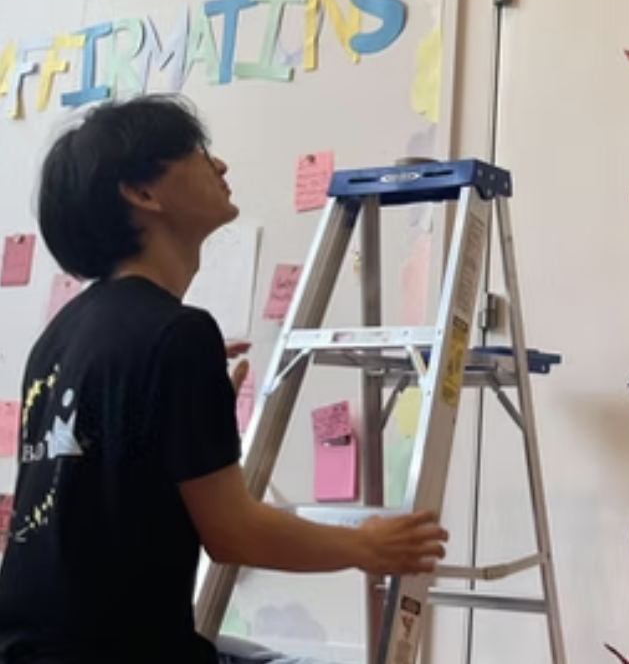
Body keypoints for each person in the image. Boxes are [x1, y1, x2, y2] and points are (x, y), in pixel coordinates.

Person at [0, 95, 448, 664]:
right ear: (142, 194)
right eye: (197, 152)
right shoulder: (176, 336)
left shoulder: (60, 336)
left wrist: (194, 410)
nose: (220, 166)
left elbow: (112, 474)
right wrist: (368, 546)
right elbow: (234, 533)